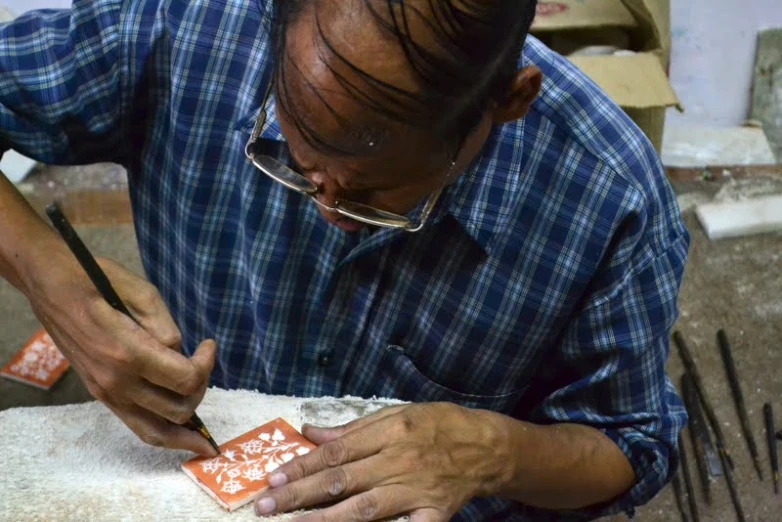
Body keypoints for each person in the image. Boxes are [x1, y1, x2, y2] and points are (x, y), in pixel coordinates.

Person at [0, 0, 690, 520]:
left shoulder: (610, 200)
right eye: (293, 157)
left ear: (507, 104)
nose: (325, 209)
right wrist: (47, 274)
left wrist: (494, 450)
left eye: (375, 193)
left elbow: (630, 444)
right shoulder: (186, 27)